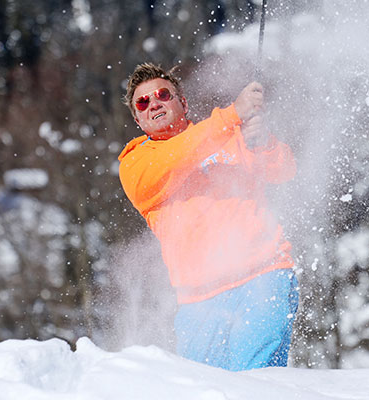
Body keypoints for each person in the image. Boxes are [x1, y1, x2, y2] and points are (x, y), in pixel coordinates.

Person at [118, 63, 299, 371]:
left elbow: (284, 170)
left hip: (262, 275)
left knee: (256, 382)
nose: (154, 103)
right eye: (143, 102)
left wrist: (263, 142)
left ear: (182, 103)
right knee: (206, 388)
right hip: (198, 300)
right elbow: (174, 159)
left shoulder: (229, 135)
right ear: (138, 118)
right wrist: (231, 116)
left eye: (163, 94)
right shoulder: (136, 163)